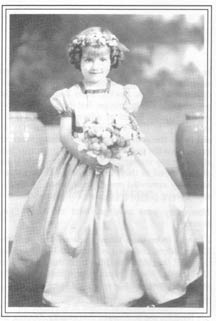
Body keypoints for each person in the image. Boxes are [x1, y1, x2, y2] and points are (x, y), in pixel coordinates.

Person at [9, 26, 202, 308]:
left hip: (122, 163)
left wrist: (120, 146)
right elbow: (65, 135)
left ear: (112, 60)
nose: (95, 66)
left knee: (148, 216)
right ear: (79, 61)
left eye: (102, 59)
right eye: (88, 59)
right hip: (78, 165)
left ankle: (146, 279)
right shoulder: (70, 96)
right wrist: (86, 156)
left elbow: (131, 130)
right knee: (70, 224)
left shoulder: (124, 94)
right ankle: (69, 283)